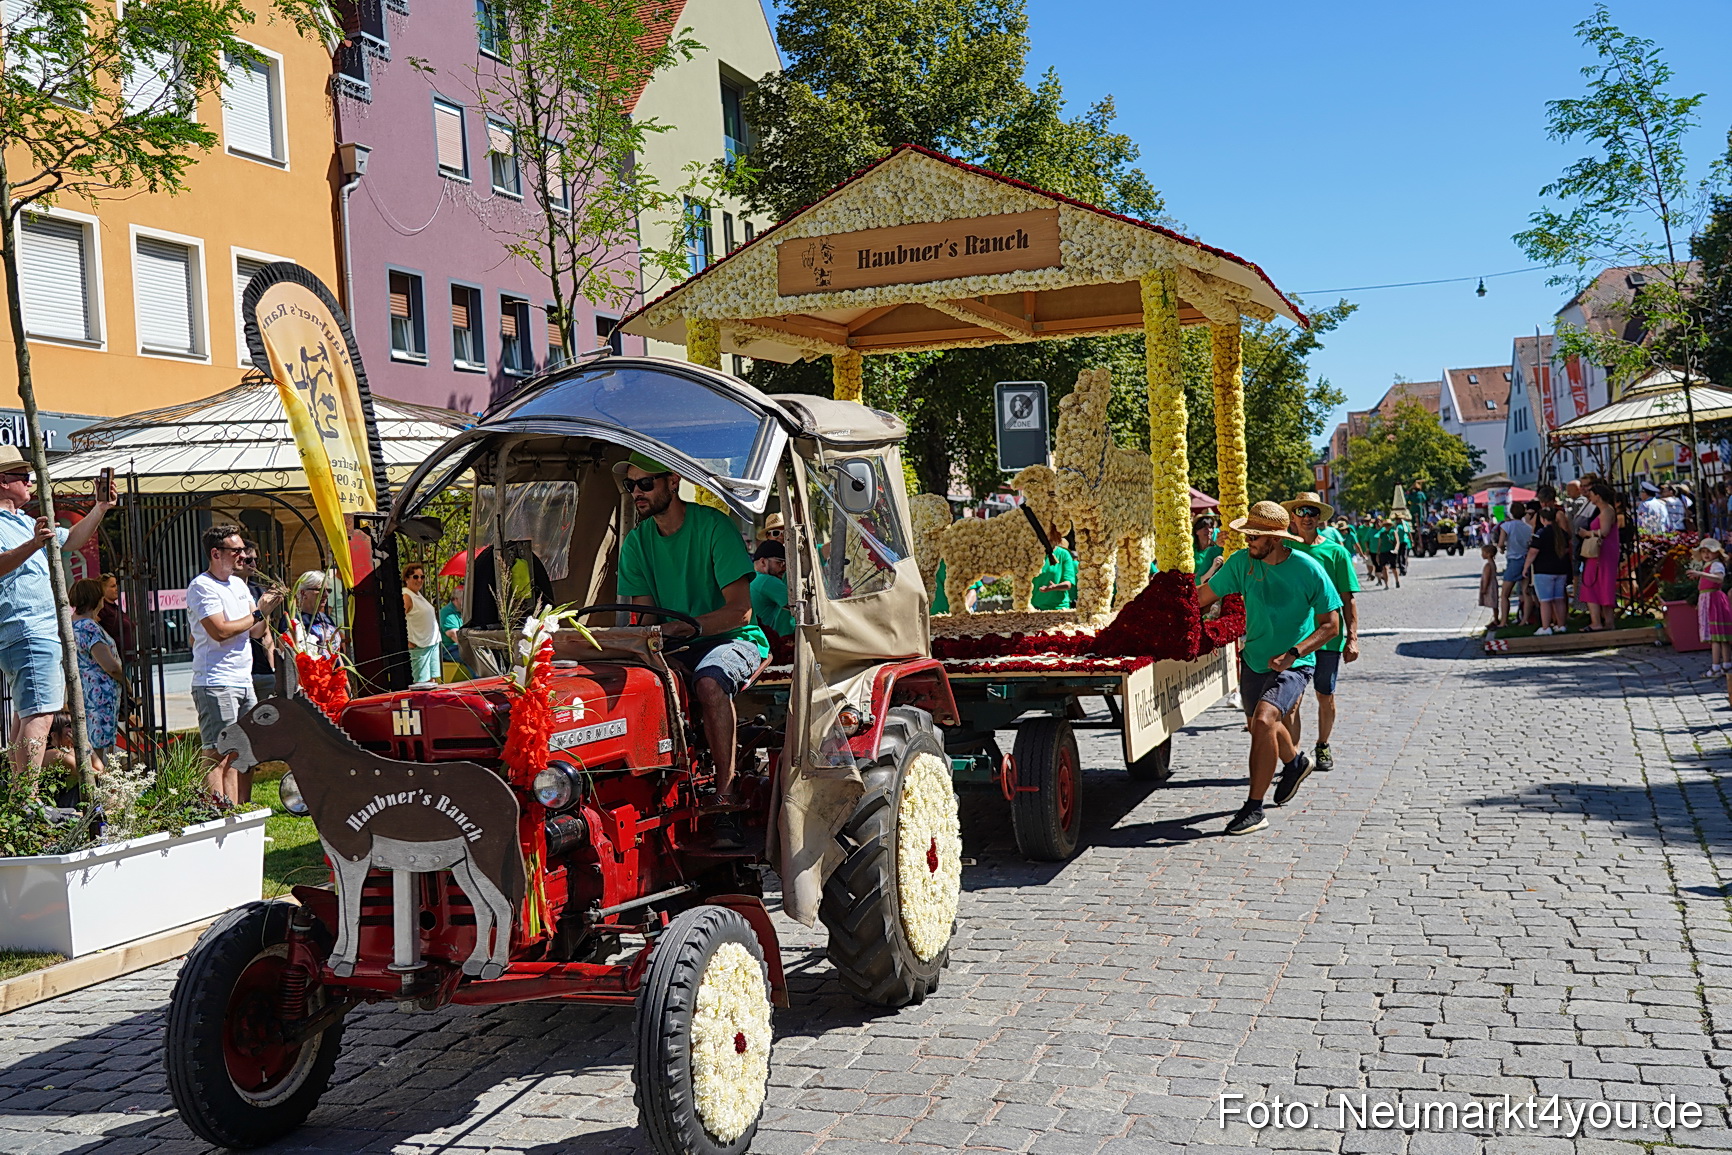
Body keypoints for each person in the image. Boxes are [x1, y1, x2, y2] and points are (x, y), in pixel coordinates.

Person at [612, 452, 768, 848]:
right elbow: (647, 618)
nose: (636, 493)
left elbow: (741, 610)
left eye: (645, 483)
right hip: (677, 642)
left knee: (710, 683)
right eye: (631, 485)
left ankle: (725, 795)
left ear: (672, 482)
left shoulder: (713, 527)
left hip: (734, 639)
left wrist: (692, 626)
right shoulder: (636, 542)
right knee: (638, 686)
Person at [1196, 501, 1341, 837]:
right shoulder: (1241, 563)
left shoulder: (1308, 568)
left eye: (1254, 537)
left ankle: (1253, 808)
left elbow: (1331, 624)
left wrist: (1295, 652)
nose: (1248, 542)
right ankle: (1295, 762)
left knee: (1264, 720)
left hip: (1296, 663)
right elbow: (1203, 596)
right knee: (1257, 726)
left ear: (1275, 539)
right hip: (1255, 660)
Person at [0, 451, 115, 804]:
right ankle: (26, 802)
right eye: (24, 475)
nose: (31, 482)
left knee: (27, 715)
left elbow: (71, 540)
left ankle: (19, 799)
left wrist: (100, 508)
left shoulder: (21, 519)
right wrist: (34, 543)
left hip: (37, 629)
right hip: (27, 628)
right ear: (4, 481)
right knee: (40, 714)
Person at [189, 523, 283, 804]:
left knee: (242, 753)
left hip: (243, 679)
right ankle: (219, 816)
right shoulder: (202, 586)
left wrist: (265, 609)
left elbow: (254, 632)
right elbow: (220, 630)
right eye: (237, 550)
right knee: (218, 753)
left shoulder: (240, 585)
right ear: (216, 553)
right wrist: (257, 613)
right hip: (216, 681)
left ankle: (238, 813)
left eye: (243, 550)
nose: (243, 555)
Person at [1282, 492, 1358, 774]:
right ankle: (1294, 758)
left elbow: (1348, 597)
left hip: (1328, 636)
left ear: (1319, 517)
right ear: (1293, 516)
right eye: (1301, 511)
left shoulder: (1335, 552)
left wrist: (1352, 638)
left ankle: (1323, 744)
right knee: (1292, 702)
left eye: (1313, 512)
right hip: (1293, 637)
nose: (1307, 517)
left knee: (1324, 695)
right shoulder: (1283, 548)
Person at [69, 578, 125, 772]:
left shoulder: (71, 625)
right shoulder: (88, 627)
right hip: (99, 696)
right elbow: (109, 665)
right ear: (95, 598)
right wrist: (125, 681)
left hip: (83, 692)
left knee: (89, 744)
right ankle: (100, 793)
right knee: (99, 749)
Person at [1526, 496, 1574, 636]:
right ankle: (1561, 625)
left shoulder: (1540, 534)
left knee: (1545, 601)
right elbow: (1566, 549)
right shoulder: (1562, 534)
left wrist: (1526, 567)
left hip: (1544, 570)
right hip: (1560, 569)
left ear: (1542, 519)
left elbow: (1533, 552)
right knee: (1559, 598)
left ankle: (1546, 627)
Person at [237, 542, 278, 704]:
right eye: (248, 560)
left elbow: (265, 633)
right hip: (240, 669)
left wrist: (273, 668)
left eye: (255, 560)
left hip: (261, 668)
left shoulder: (258, 590)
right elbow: (253, 631)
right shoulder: (226, 591)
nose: (253, 564)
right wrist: (261, 611)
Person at [1576, 482, 1621, 631]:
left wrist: (1587, 533)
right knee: (1594, 583)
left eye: (1592, 493)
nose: (1590, 496)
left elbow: (1605, 531)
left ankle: (1601, 622)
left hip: (1603, 552)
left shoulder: (1607, 511)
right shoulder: (1603, 511)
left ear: (1598, 496)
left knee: (1599, 582)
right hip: (1599, 552)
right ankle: (1601, 621)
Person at [1690, 539, 1732, 675]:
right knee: (1720, 635)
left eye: (1710, 551)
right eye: (1703, 552)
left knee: (1716, 635)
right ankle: (1726, 664)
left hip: (1714, 600)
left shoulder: (1716, 565)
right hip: (1708, 600)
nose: (1706, 554)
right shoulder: (1709, 566)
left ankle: (1716, 667)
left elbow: (1719, 579)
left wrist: (1701, 574)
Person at [1496, 501, 1534, 629]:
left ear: (1511, 512)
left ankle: (1503, 621)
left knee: (1505, 594)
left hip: (1514, 559)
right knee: (1526, 592)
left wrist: (1501, 548)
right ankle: (1525, 620)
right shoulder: (1528, 527)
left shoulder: (1507, 526)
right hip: (1526, 559)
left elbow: (1501, 543)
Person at [748, 540, 795, 640]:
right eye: (780, 563)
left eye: (786, 564)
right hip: (776, 641)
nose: (784, 568)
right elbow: (798, 605)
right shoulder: (767, 581)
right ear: (763, 562)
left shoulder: (751, 578)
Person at [402, 562, 440, 683]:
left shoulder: (417, 595)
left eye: (422, 577)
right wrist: (407, 641)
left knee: (432, 681)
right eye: (415, 577)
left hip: (432, 644)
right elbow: (399, 621)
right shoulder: (406, 596)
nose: (419, 580)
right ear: (406, 578)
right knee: (421, 683)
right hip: (419, 646)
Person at [293, 571, 343, 656]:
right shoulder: (294, 621)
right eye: (320, 590)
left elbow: (336, 654)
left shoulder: (326, 618)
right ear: (303, 593)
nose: (326, 594)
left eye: (328, 590)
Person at [1030, 530, 1078, 610]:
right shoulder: (1032, 553)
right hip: (1034, 608)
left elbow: (1068, 583)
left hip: (1058, 608)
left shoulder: (1063, 554)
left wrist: (1054, 587)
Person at [96, 572, 135, 658]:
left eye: (116, 585)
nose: (117, 588)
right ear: (103, 589)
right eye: (113, 586)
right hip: (115, 658)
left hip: (125, 658)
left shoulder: (115, 607)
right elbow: (92, 627)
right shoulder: (102, 608)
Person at [439, 579, 465, 672]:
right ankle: (478, 679)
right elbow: (453, 634)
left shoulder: (463, 611)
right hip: (450, 648)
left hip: (459, 646)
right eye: (464, 599)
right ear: (455, 599)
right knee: (471, 657)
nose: (466, 603)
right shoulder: (447, 612)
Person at [1479, 543, 1500, 622]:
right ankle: (1496, 618)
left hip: (1489, 586)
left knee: (1493, 602)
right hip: (1493, 584)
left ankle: (1496, 619)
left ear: (1488, 554)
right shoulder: (1493, 564)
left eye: (1483, 553)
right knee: (1494, 603)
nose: (1482, 555)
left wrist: (1484, 588)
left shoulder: (1488, 565)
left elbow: (1487, 577)